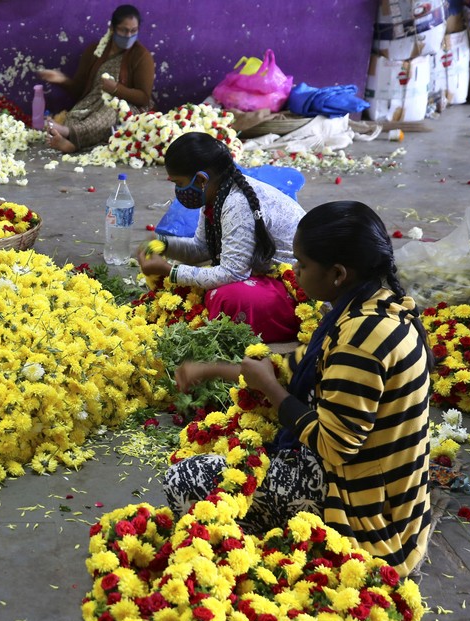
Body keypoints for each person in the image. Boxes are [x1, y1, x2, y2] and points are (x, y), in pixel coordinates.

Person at [164, 201, 434, 576]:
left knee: (184, 479)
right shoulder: (374, 306)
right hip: (387, 491)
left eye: (303, 265)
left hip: (364, 512)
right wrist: (213, 369)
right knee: (253, 443)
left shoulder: (362, 339)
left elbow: (334, 446)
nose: (294, 270)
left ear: (338, 274)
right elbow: (299, 365)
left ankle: (251, 556)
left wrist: (274, 394)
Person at [135, 132, 306, 343]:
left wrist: (170, 271)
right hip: (257, 270)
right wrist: (163, 245)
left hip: (296, 284)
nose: (178, 191)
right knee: (191, 285)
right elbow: (202, 248)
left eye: (179, 183)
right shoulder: (216, 192)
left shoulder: (237, 203)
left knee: (226, 298)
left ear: (200, 179)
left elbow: (233, 273)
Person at [36, 4, 154, 153]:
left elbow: (143, 98)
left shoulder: (142, 56)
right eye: (124, 30)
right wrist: (62, 80)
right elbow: (79, 90)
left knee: (107, 116)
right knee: (74, 116)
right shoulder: (95, 50)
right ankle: (72, 142)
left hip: (123, 106)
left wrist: (116, 89)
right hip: (92, 102)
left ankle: (67, 135)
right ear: (112, 28)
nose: (129, 35)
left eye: (133, 31)